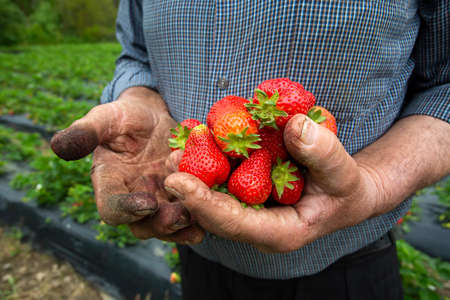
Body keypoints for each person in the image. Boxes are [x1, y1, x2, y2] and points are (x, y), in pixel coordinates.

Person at [50, 1, 450, 299]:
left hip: (347, 269)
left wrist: (375, 181)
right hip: (197, 252)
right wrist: (140, 97)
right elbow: (136, 55)